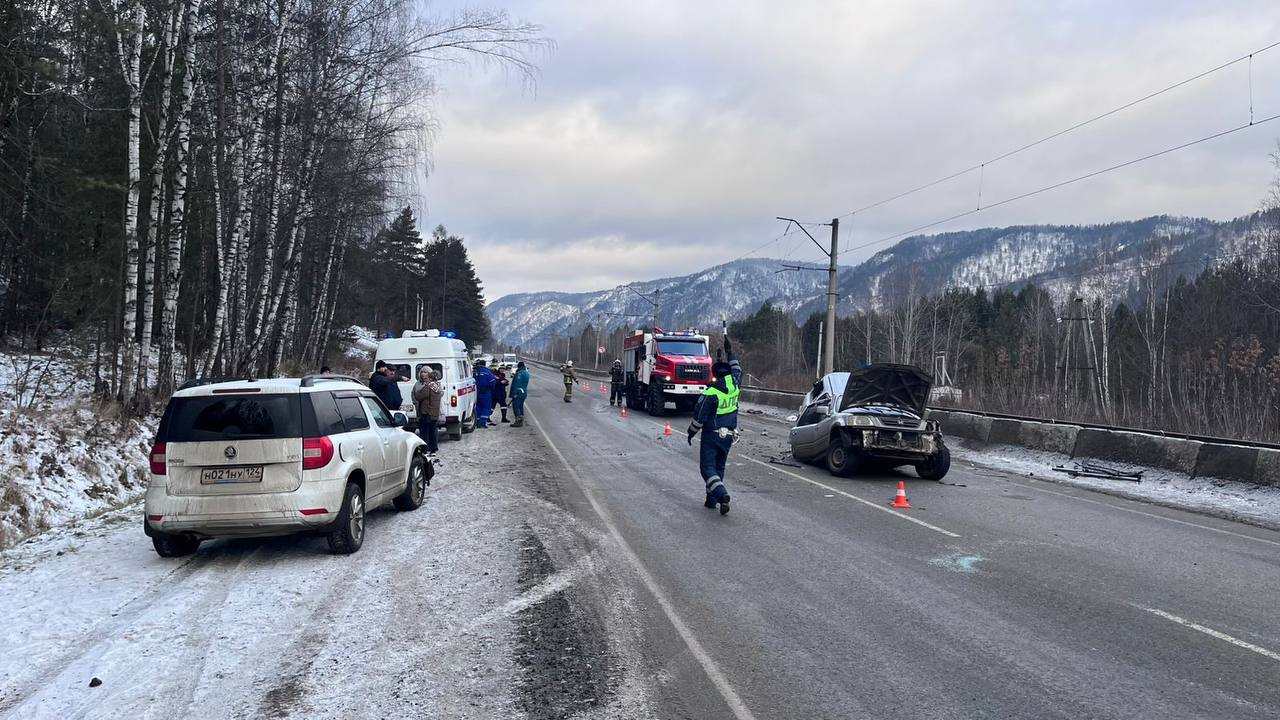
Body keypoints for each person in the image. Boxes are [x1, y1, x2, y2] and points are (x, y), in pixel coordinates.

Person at [686, 336, 742, 515]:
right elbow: (737, 369)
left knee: (707, 468)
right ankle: (712, 500)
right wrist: (730, 351)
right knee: (719, 467)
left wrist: (690, 433)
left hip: (712, 434)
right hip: (729, 434)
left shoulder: (711, 393)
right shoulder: (735, 383)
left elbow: (699, 417)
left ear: (715, 374)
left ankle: (721, 494)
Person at [412, 367, 443, 454]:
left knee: (424, 431)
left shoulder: (428, 387)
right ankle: (433, 449)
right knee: (433, 431)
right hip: (434, 412)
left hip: (426, 412)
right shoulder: (437, 386)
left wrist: (418, 392)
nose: (423, 375)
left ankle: (425, 449)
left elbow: (418, 396)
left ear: (430, 377)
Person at [473, 360, 496, 428]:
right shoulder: (487, 372)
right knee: (486, 408)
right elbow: (492, 382)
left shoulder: (475, 371)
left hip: (477, 392)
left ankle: (477, 421)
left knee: (478, 407)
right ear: (485, 364)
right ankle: (482, 423)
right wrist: (491, 390)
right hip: (486, 393)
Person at [510, 362, 530, 427]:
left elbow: (516, 384)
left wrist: (515, 393)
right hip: (524, 392)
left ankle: (518, 421)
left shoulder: (519, 374)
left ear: (519, 367)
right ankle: (521, 420)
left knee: (516, 407)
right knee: (521, 407)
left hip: (518, 392)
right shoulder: (526, 372)